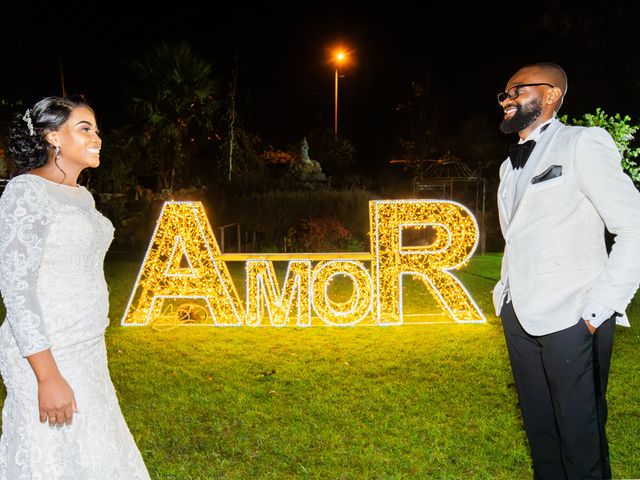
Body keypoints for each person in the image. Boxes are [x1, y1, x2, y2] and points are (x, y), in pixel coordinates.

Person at [493, 62, 640, 479]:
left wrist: (598, 311)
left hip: (574, 316)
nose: (507, 98)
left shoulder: (582, 142)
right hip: (518, 314)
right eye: (504, 93)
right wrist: (504, 295)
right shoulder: (508, 169)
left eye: (517, 90)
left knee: (581, 438)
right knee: (542, 434)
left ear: (552, 95)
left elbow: (634, 226)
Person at [0, 96, 150, 479]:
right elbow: (17, 288)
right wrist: (47, 377)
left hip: (88, 347)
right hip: (48, 351)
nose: (97, 137)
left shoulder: (82, 196)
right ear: (52, 136)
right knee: (52, 455)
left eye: (97, 129)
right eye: (85, 128)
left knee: (95, 447)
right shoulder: (25, 192)